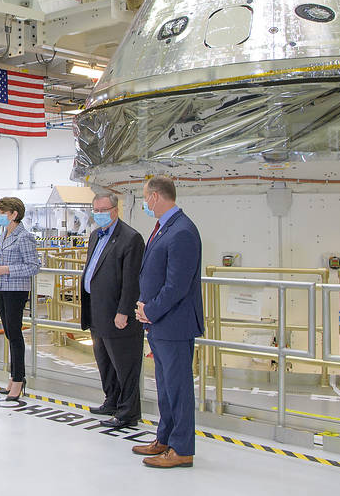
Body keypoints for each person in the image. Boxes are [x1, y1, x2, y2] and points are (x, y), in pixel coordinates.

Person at [134, 176, 203, 469]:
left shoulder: (182, 231)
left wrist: (150, 310)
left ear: (155, 197)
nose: (145, 203)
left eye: (145, 198)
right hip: (161, 323)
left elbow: (176, 286)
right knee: (165, 386)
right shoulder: (164, 228)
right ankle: (165, 438)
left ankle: (182, 448)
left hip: (174, 324)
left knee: (178, 388)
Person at [80, 193, 145, 428]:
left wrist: (124, 311)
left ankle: (128, 412)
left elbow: (132, 281)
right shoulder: (96, 235)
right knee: (104, 361)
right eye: (95, 209)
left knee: (124, 364)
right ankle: (112, 400)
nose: (98, 213)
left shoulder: (131, 238)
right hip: (96, 310)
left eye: (103, 209)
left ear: (115, 210)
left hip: (118, 313)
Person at [0, 196, 40, 402]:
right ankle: (13, 376)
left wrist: (7, 269)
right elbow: (1, 260)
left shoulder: (24, 237)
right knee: (9, 333)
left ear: (14, 214)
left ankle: (19, 379)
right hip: (2, 287)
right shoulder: (5, 234)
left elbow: (33, 266)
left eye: (3, 213)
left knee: (15, 335)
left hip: (16, 290)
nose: (0, 217)